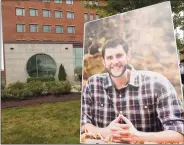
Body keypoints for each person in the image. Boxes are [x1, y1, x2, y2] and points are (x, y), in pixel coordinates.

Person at [81, 38, 184, 143]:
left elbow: (179, 132)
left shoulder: (157, 83)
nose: (115, 62)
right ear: (104, 62)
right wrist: (104, 132)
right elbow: (82, 123)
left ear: (128, 56)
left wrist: (138, 136)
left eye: (119, 56)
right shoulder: (93, 84)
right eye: (109, 58)